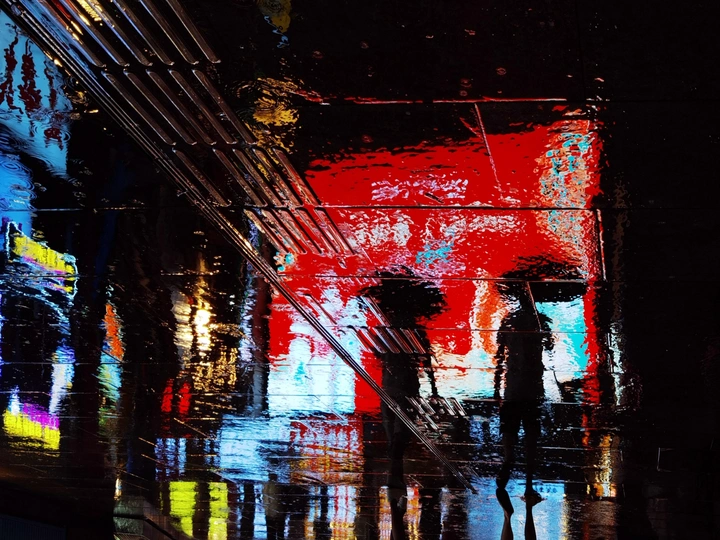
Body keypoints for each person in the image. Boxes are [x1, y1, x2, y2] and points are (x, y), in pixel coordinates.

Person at [494, 281, 553, 499]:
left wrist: (496, 387)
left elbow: (500, 353)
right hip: (533, 386)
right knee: (531, 434)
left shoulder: (509, 319)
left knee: (509, 427)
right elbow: (550, 347)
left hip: (512, 386)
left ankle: (508, 458)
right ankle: (528, 484)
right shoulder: (541, 320)